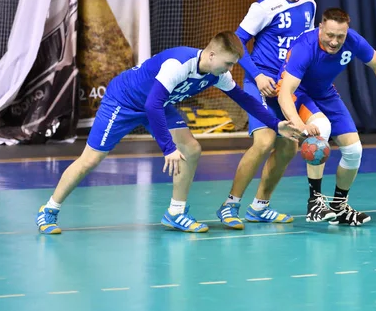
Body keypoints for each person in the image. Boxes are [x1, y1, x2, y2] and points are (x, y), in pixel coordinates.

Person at [35, 31, 302, 234]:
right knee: (91, 159)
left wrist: (275, 124)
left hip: (158, 104)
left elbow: (246, 100)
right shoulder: (179, 63)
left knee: (193, 149)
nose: (229, 69)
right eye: (228, 63)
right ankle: (49, 210)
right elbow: (151, 105)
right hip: (125, 101)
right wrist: (168, 148)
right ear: (211, 55)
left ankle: (176, 212)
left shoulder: (217, 74)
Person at [277, 7, 376, 225]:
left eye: (340, 36)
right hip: (298, 93)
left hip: (325, 93)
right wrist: (300, 125)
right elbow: (284, 93)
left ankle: (339, 206)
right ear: (321, 28)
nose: (335, 41)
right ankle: (315, 203)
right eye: (330, 35)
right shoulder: (305, 47)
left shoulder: (353, 41)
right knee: (322, 128)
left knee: (354, 150)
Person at [215, 0, 317, 229]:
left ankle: (260, 206)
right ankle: (229, 205)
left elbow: (304, 47)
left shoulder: (309, 5)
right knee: (263, 143)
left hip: (287, 86)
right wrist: (258, 75)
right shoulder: (264, 7)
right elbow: (237, 43)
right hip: (260, 82)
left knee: (288, 147)